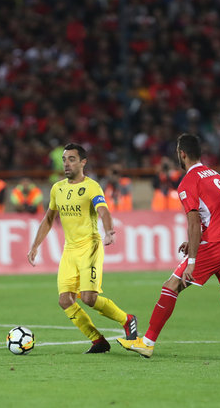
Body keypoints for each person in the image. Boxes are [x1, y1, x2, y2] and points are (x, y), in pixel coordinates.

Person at [117, 134, 220, 359]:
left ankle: (147, 343)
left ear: (182, 154)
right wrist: (195, 241)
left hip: (217, 243)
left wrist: (192, 259)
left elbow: (193, 221)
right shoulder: (214, 175)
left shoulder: (188, 181)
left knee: (171, 286)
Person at [27, 143, 138, 354]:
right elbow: (49, 218)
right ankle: (98, 340)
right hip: (69, 251)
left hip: (90, 247)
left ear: (83, 162)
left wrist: (109, 231)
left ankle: (127, 320)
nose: (66, 164)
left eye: (72, 159)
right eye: (64, 159)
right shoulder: (57, 188)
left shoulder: (92, 187)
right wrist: (35, 246)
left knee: (88, 298)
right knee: (64, 300)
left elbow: (103, 211)